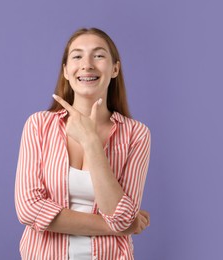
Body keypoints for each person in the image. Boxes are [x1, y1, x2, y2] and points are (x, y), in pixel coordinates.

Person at [15, 27, 151, 260]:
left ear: (115, 69)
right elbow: (29, 209)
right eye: (77, 56)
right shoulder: (38, 125)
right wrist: (119, 226)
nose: (87, 64)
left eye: (98, 55)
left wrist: (91, 142)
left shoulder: (136, 134)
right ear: (66, 71)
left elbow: (124, 218)